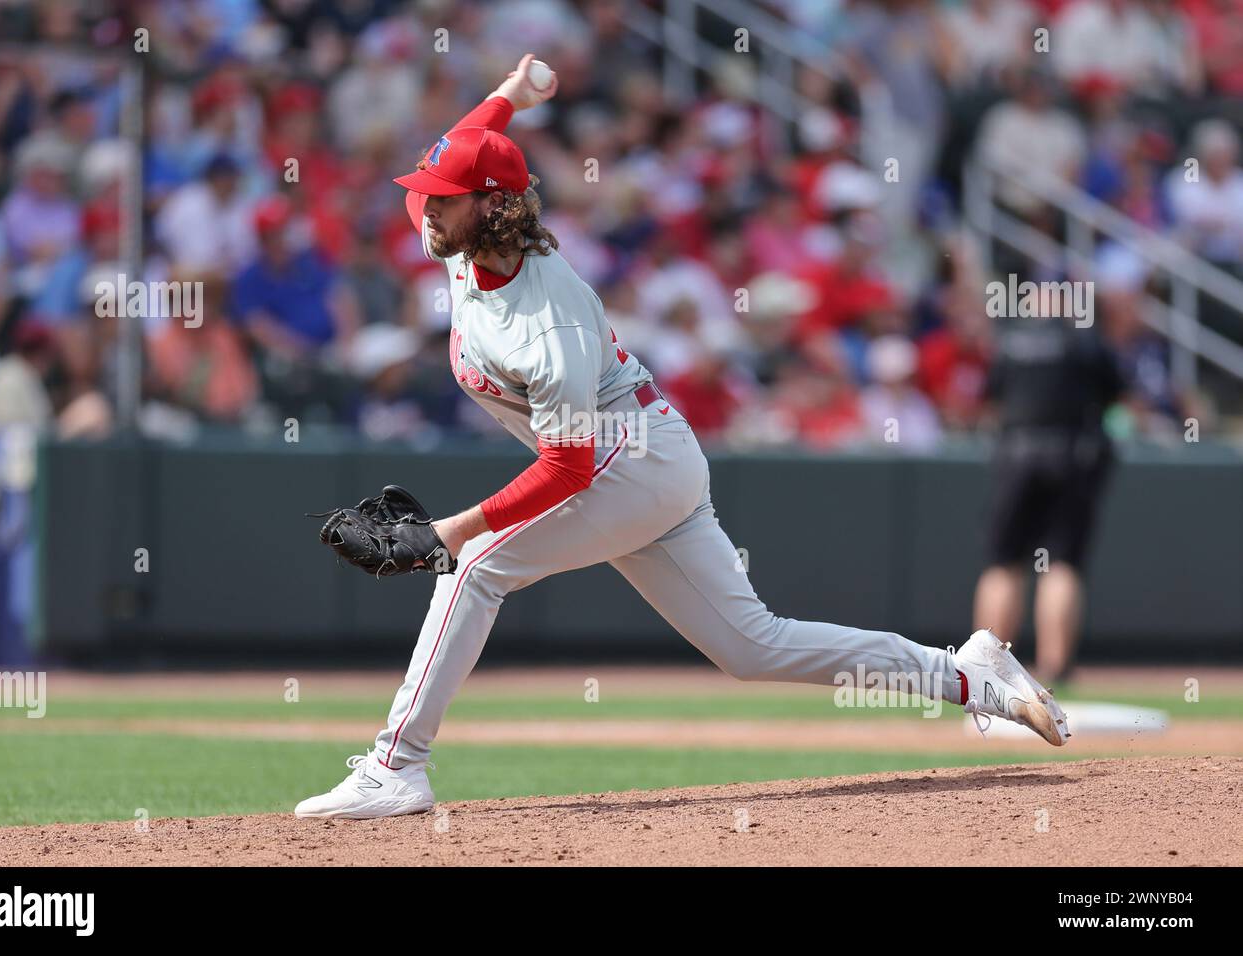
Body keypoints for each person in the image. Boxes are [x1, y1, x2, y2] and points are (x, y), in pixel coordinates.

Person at [294, 55, 1071, 821]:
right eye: (426, 194)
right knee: (752, 646)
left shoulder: (546, 320)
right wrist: (509, 95)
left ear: (493, 206)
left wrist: (452, 531)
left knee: (474, 569)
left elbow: (568, 467)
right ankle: (969, 674)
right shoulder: (458, 236)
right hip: (648, 456)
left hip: (623, 460)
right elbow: (461, 143)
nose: (424, 208)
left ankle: (398, 766)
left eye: (443, 199)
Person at [974, 292, 1125, 687]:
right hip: (1072, 457)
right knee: (1061, 564)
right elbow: (1117, 397)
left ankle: (983, 666)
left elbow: (990, 399)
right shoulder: (1086, 344)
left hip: (1016, 456)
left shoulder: (1009, 343)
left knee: (1003, 562)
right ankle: (1055, 667)